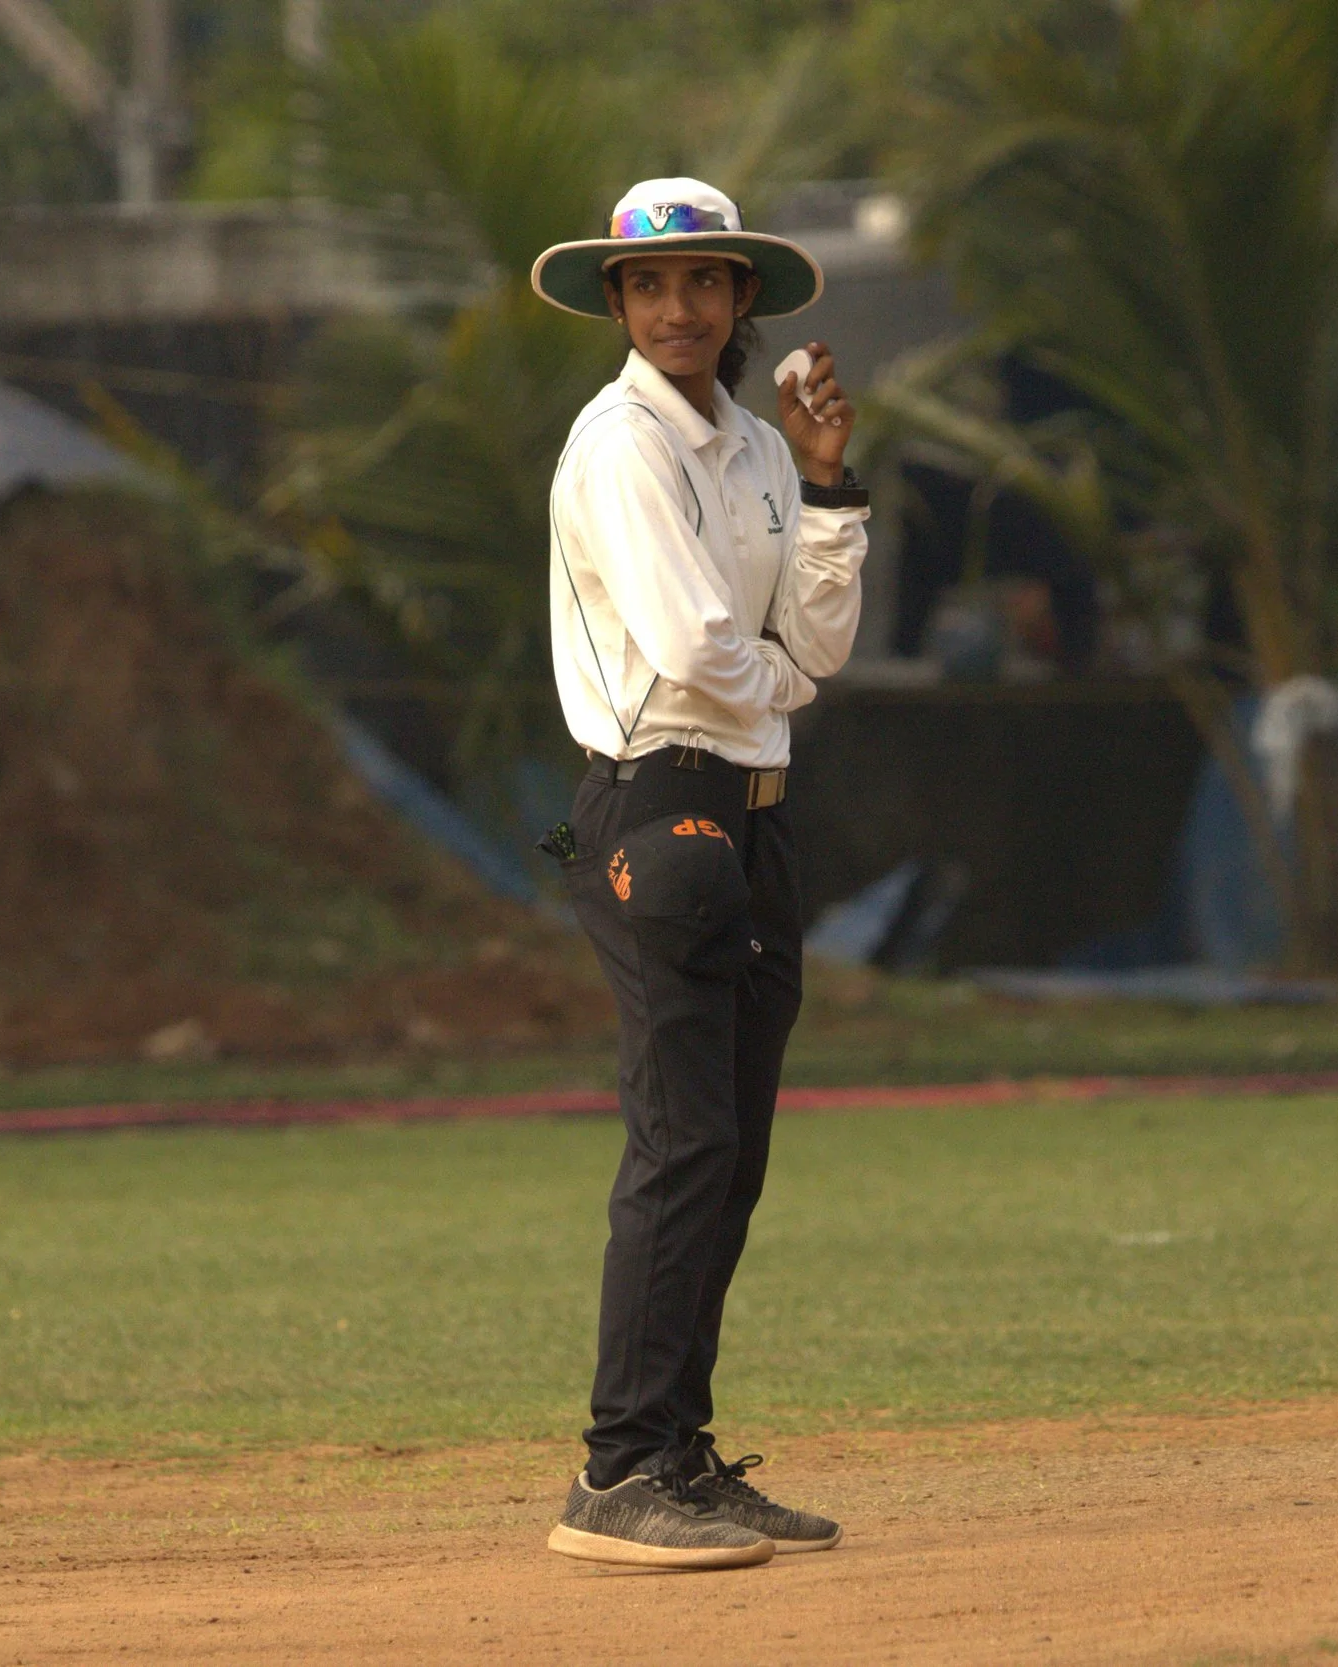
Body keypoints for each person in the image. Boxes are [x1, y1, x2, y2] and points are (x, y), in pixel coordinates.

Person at [527, 179, 867, 1568]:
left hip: (752, 807)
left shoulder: (755, 446)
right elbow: (694, 641)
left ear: (741, 303)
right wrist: (782, 681)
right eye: (650, 286)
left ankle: (678, 1450)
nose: (677, 308)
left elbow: (818, 636)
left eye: (704, 284)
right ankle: (616, 1472)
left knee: (730, 1148)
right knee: (684, 1139)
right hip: (659, 800)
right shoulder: (619, 442)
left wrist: (832, 482)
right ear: (616, 302)